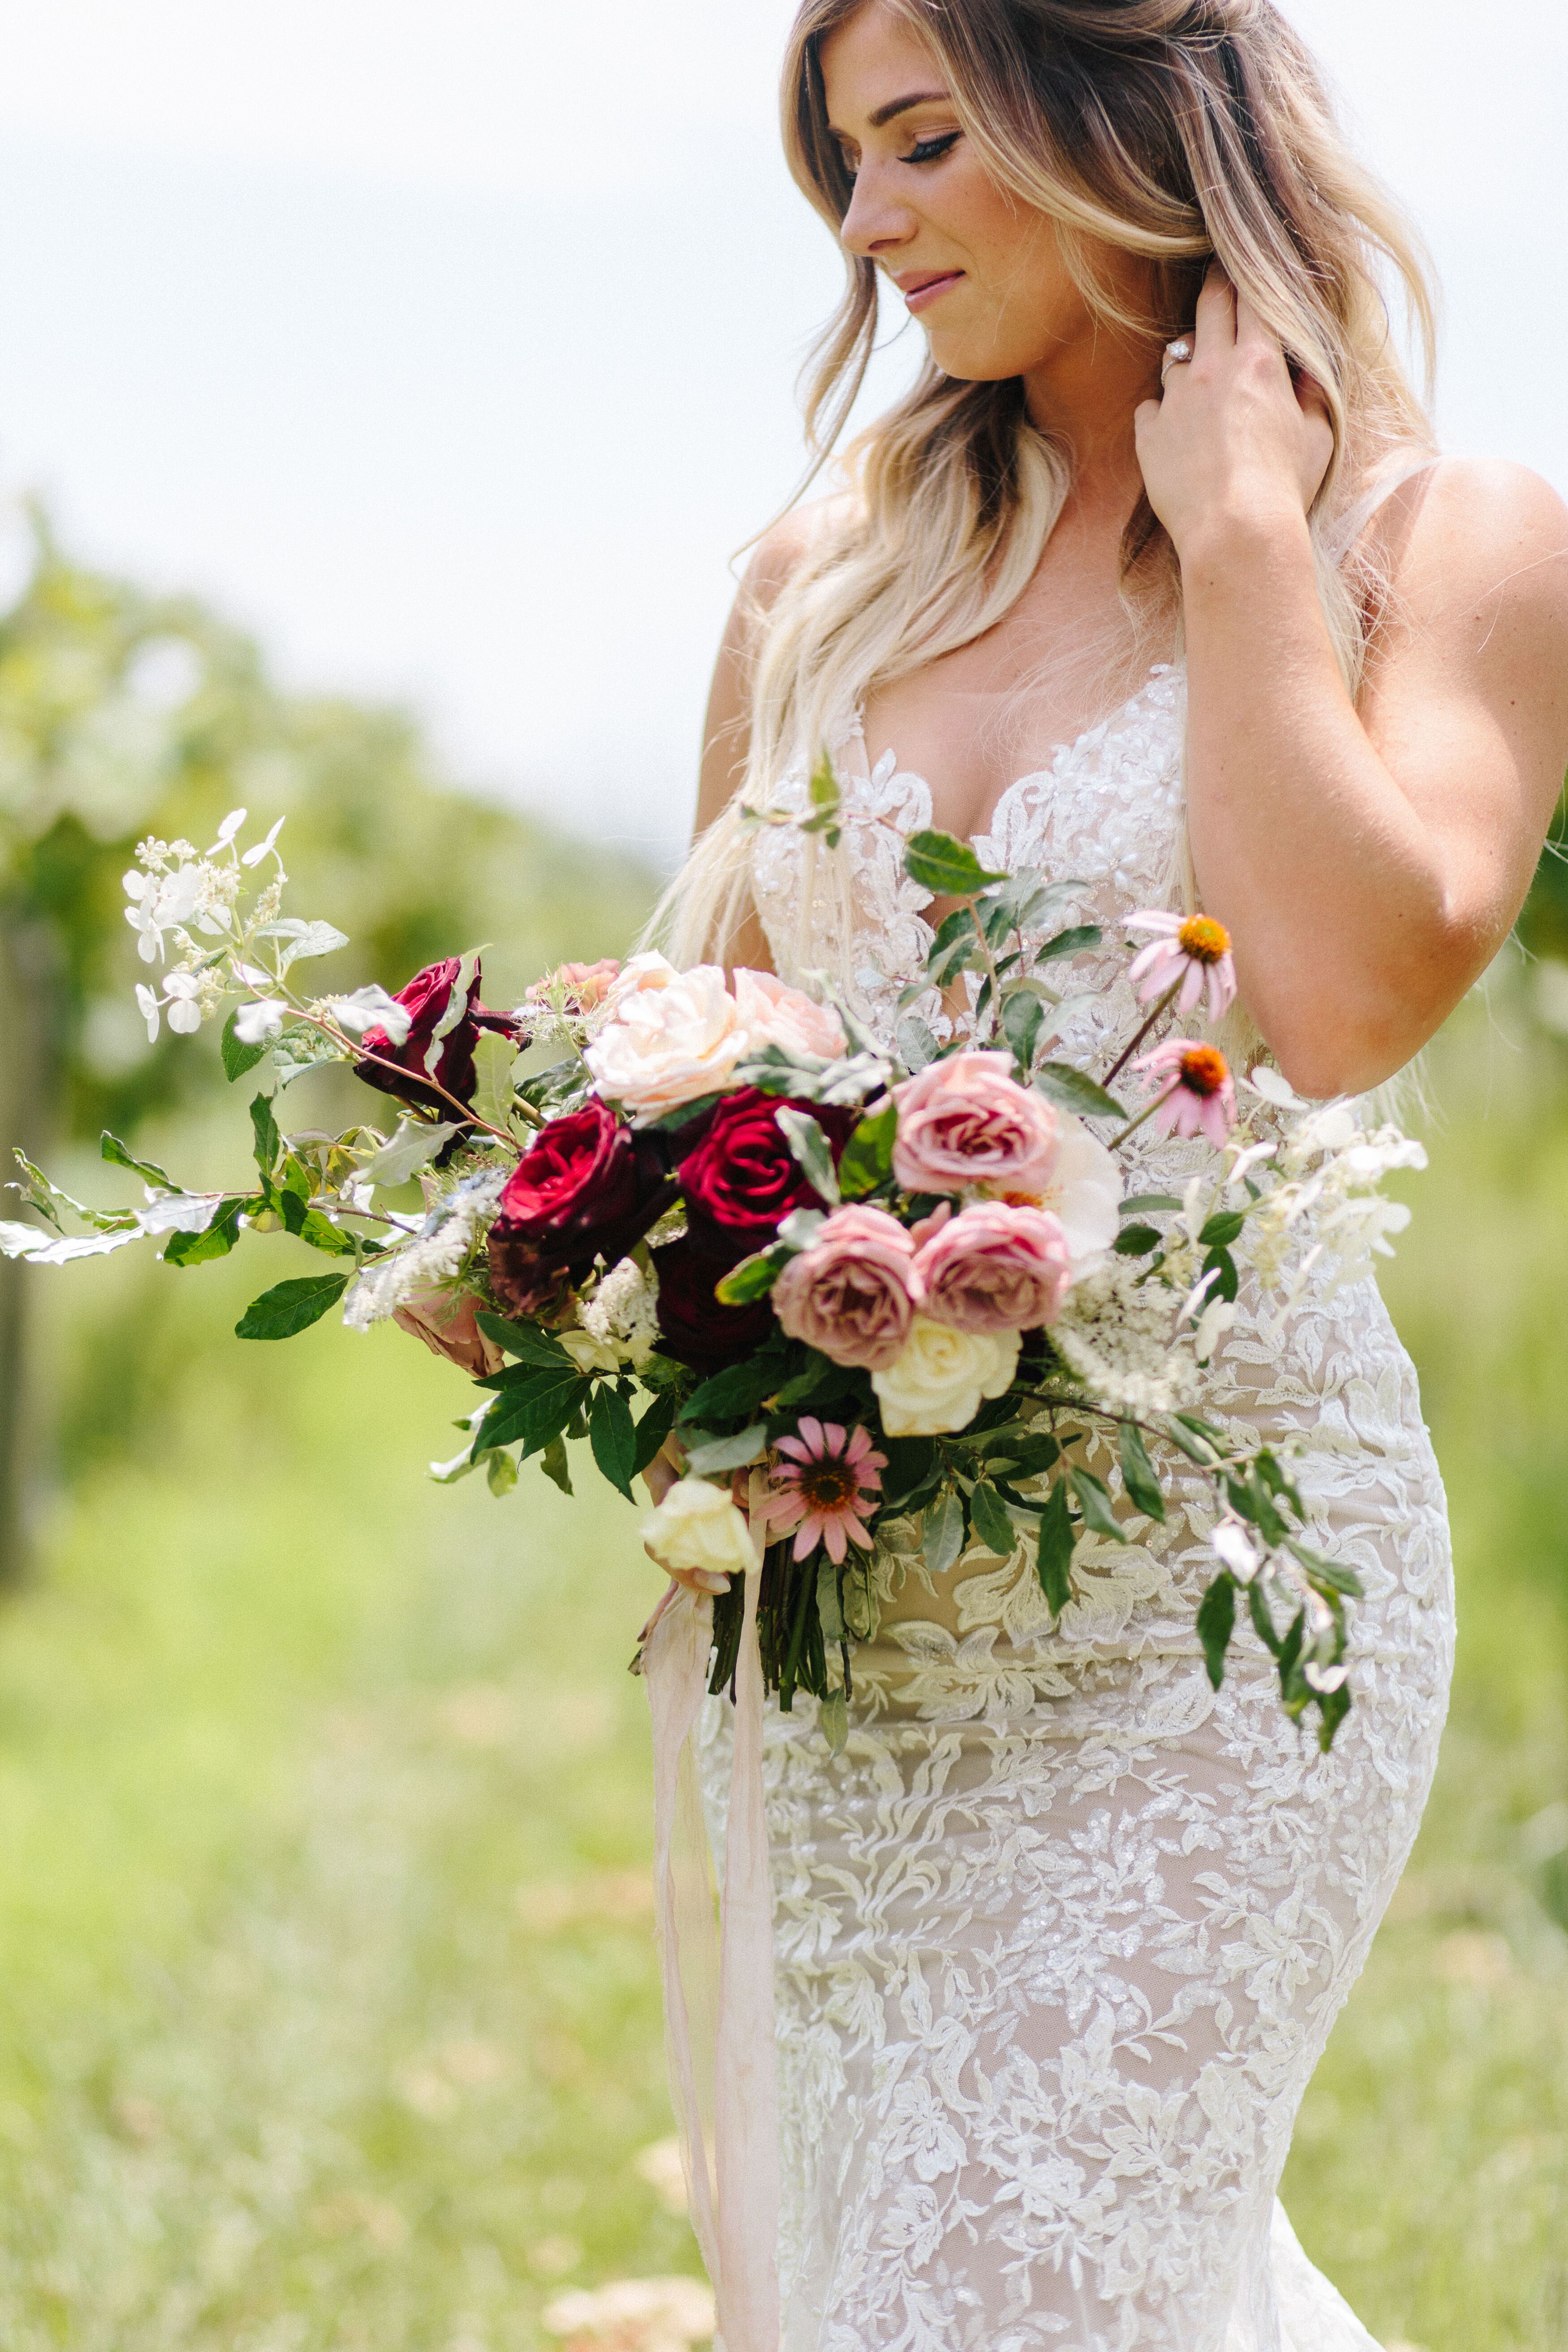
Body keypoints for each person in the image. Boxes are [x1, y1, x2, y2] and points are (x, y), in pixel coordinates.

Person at [640, 3, 1568, 2348]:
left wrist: (1246, 529)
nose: (869, 223)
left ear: (1121, 116)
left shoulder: (1442, 542)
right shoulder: (825, 575)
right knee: (925, 2288)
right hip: (877, 1582)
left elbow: (1351, 993)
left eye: (928, 140)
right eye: (848, 162)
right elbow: (714, 1066)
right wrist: (575, 1239)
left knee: (1007, 2276)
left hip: (1230, 1600)